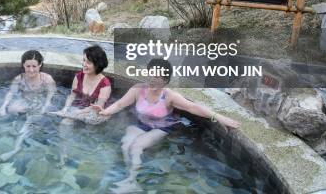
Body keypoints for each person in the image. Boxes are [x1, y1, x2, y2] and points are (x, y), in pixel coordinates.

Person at [92, 58, 240, 193]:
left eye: (157, 77)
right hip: (141, 124)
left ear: (165, 80)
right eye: (150, 75)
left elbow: (192, 107)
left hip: (161, 127)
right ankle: (128, 173)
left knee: (137, 146)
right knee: (125, 145)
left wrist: (220, 117)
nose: (151, 80)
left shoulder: (169, 96)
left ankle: (132, 181)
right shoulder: (138, 89)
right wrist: (105, 112)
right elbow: (120, 104)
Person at [0, 50, 56, 161]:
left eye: (34, 66)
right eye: (28, 66)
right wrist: (3, 107)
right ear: (23, 65)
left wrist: (45, 106)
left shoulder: (47, 79)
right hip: (26, 103)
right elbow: (11, 93)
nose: (31, 69)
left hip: (41, 103)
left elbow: (51, 96)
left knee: (32, 118)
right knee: (12, 108)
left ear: (40, 65)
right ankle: (23, 124)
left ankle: (16, 148)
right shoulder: (19, 79)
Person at [51, 45, 111, 125]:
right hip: (80, 108)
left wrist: (79, 112)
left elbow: (98, 107)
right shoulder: (79, 76)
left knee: (89, 120)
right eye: (84, 60)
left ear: (97, 65)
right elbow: (72, 95)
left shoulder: (105, 84)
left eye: (88, 62)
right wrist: (65, 109)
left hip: (95, 112)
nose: (84, 64)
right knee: (65, 122)